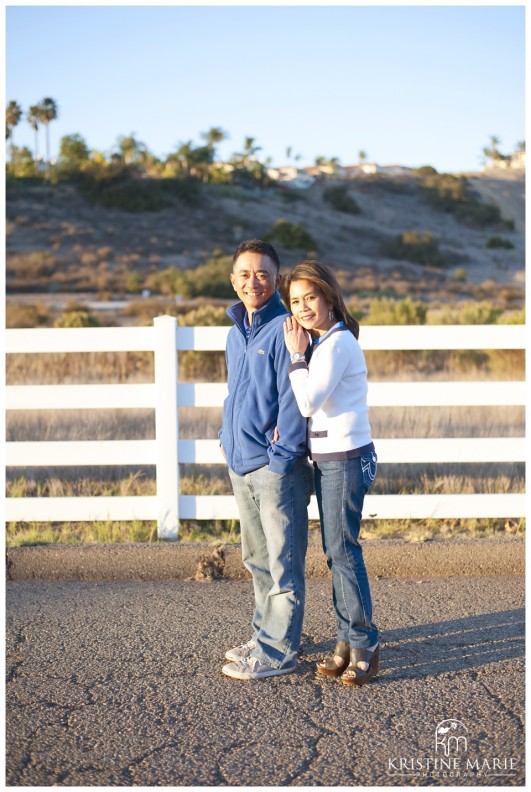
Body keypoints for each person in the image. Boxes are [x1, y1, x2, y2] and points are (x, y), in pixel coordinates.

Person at [280, 260, 379, 686]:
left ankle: (364, 642)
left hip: (345, 457)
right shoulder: (327, 342)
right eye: (295, 301)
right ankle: (345, 640)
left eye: (310, 298)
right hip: (331, 458)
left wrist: (296, 356)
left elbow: (308, 402)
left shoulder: (334, 345)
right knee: (336, 550)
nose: (302, 308)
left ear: (329, 296)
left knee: (343, 550)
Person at [219, 239, 314, 680]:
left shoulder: (285, 328)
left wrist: (281, 458)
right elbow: (236, 394)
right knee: (257, 559)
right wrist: (226, 438)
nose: (252, 281)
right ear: (233, 279)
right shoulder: (235, 333)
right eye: (244, 273)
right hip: (241, 463)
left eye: (262, 273)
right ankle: (265, 636)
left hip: (275, 469)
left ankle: (278, 652)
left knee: (283, 563)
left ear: (277, 280)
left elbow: (295, 402)